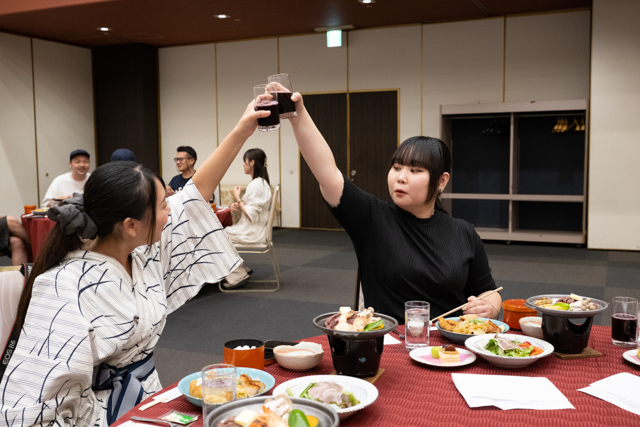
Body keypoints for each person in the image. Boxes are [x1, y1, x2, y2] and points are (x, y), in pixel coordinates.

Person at [0, 101, 270, 427]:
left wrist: (243, 128)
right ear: (130, 224)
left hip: (147, 398)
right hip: (94, 415)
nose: (170, 210)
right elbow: (33, 399)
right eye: (161, 206)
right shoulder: (63, 286)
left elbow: (195, 193)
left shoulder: (141, 253)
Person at [287, 92, 501, 323]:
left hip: (449, 345)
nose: (401, 177)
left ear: (442, 181)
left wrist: (489, 308)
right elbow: (327, 172)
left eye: (415, 170)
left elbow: (488, 291)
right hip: (391, 343)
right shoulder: (372, 218)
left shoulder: (463, 232)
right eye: (397, 167)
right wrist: (297, 114)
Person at [222, 148, 273, 289]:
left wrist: (237, 197)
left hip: (253, 232)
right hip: (254, 229)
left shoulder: (257, 184)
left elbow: (251, 215)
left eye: (244, 162)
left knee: (216, 238)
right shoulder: (260, 183)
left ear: (251, 162)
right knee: (219, 235)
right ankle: (241, 267)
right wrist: (238, 203)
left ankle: (237, 273)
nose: (243, 165)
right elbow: (250, 208)